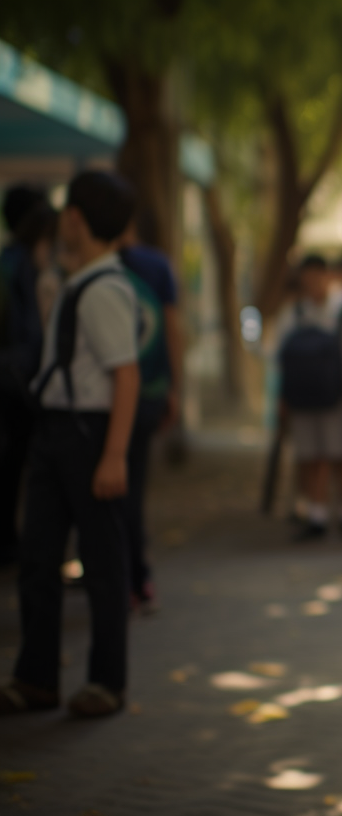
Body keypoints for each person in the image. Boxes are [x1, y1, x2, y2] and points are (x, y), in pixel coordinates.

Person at [1, 171, 140, 718]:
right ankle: (36, 678)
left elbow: (124, 377)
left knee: (102, 563)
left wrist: (113, 455)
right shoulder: (74, 280)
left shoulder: (103, 290)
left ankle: (107, 681)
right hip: (56, 428)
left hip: (87, 432)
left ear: (76, 218)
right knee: (39, 558)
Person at [116, 216, 183, 612]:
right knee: (132, 488)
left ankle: (127, 578)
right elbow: (171, 328)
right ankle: (136, 577)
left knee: (113, 495)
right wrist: (174, 386)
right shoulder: (156, 266)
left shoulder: (90, 268)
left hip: (116, 397)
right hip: (147, 393)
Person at [275, 254, 342, 541]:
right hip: (304, 398)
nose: (313, 283)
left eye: (318, 275)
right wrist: (282, 399)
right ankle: (316, 513)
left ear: (328, 276)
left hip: (338, 396)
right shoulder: (293, 313)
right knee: (311, 456)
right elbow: (281, 359)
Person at [0, 186, 54, 568]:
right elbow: (24, 338)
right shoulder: (16, 266)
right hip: (13, 389)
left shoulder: (16, 263)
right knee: (12, 470)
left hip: (14, 386)